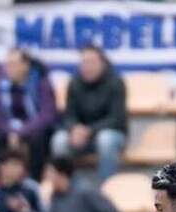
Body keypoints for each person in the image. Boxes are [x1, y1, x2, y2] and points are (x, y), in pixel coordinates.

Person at [50, 46, 126, 183]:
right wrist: (74, 128)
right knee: (59, 140)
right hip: (80, 136)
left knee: (106, 140)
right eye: (84, 63)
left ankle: (106, 188)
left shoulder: (116, 82)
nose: (87, 67)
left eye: (91, 62)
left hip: (109, 133)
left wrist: (89, 130)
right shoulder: (74, 83)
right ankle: (66, 186)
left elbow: (116, 119)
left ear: (102, 63)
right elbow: (68, 115)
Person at [0, 49, 57, 180]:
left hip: (34, 128)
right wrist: (10, 131)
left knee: (38, 139)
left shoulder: (41, 82)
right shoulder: (0, 85)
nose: (9, 69)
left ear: (26, 65)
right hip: (10, 129)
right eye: (7, 65)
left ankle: (34, 181)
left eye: (13, 64)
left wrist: (21, 132)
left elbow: (47, 115)